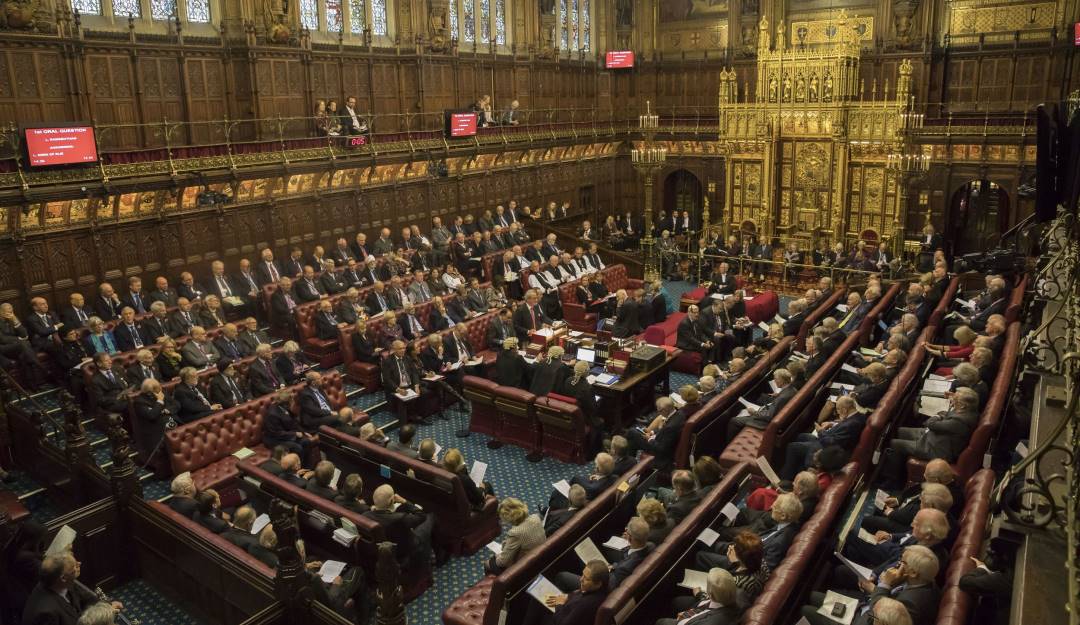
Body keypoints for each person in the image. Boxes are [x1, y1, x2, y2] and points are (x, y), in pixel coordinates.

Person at [696, 493, 802, 572]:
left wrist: (736, 560)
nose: (772, 506)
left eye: (776, 506)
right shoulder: (788, 524)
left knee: (700, 555)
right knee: (711, 543)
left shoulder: (781, 541)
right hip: (745, 550)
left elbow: (763, 570)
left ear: (783, 516)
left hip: (742, 562)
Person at [22, 552, 117, 625]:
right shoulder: (46, 613)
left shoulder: (60, 582)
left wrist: (107, 606)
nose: (79, 564)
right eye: (74, 566)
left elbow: (88, 599)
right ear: (63, 578)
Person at [364, 484, 434, 569]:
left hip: (382, 551)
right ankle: (435, 559)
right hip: (404, 549)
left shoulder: (365, 515)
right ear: (392, 500)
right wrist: (404, 501)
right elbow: (421, 515)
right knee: (431, 517)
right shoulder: (400, 518)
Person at [656, 567, 741, 625]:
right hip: (700, 608)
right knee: (677, 601)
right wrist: (699, 594)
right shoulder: (738, 592)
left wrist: (684, 618)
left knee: (661, 622)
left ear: (710, 593)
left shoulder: (711, 622)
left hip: (690, 621)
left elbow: (691, 622)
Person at [486, 498, 545, 574]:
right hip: (540, 558)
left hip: (524, 567)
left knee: (488, 563)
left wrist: (497, 557)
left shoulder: (516, 532)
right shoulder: (535, 517)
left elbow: (502, 562)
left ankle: (494, 584)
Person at [262, 389, 315, 459]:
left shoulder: (285, 408)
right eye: (291, 401)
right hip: (274, 440)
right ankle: (296, 467)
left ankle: (307, 466)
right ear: (285, 403)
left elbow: (293, 423)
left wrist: (303, 432)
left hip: (286, 434)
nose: (293, 402)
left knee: (306, 441)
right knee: (297, 448)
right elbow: (277, 433)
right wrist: (295, 434)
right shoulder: (272, 414)